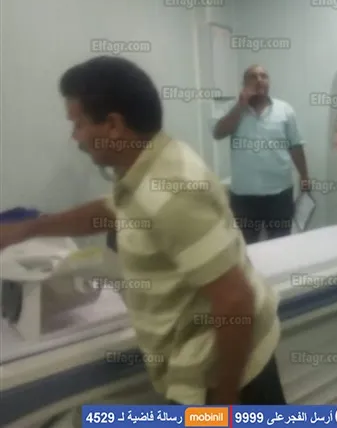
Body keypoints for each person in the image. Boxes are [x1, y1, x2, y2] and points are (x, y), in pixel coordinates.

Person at [0, 56, 286, 405]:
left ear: (113, 125)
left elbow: (235, 300)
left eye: (78, 124)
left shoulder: (174, 189)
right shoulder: (144, 166)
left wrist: (224, 406)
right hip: (197, 369)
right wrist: (27, 229)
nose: (76, 138)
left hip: (225, 378)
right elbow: (112, 210)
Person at [213, 64, 309, 244]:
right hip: (244, 196)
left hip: (280, 194)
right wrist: (240, 106)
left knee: (281, 245)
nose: (259, 80)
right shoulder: (232, 108)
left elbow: (295, 145)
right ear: (244, 83)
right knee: (245, 247)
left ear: (268, 82)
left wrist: (304, 176)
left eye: (264, 76)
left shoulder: (285, 109)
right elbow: (218, 133)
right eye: (253, 76)